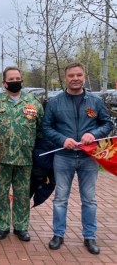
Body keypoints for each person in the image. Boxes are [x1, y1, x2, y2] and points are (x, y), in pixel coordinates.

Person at [42, 63, 113, 254]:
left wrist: (94, 134)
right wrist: (62, 139)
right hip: (63, 156)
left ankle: (89, 237)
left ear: (84, 76)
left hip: (88, 158)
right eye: (71, 75)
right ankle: (58, 234)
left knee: (89, 199)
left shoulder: (95, 101)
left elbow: (107, 123)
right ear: (66, 78)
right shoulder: (55, 102)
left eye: (79, 75)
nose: (75, 78)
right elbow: (46, 127)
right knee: (60, 198)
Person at [0, 66, 43, 242]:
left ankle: (21, 226)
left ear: (22, 80)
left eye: (18, 78)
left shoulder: (33, 102)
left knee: (22, 194)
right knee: (0, 193)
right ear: (4, 83)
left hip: (24, 157)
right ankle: (2, 226)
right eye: (11, 79)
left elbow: (41, 130)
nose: (15, 81)